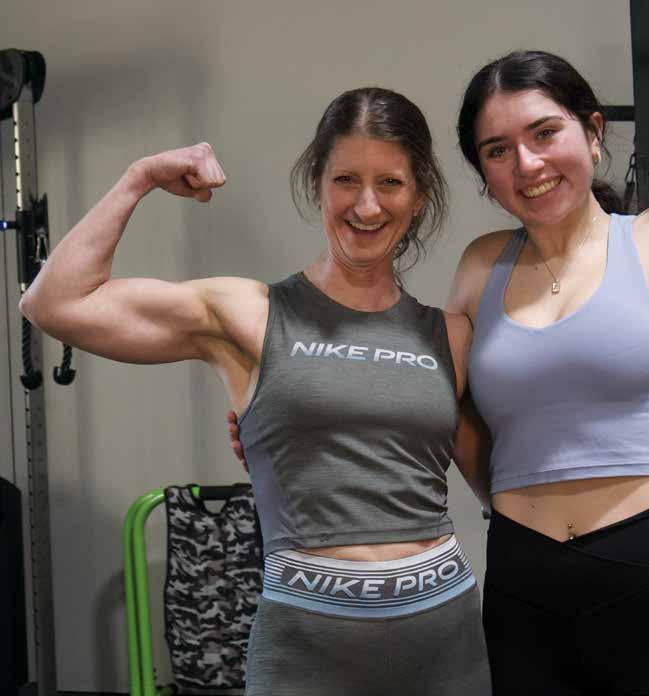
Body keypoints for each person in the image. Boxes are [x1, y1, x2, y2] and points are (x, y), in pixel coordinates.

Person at [19, 87, 491, 696]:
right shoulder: (249, 314)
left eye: (391, 183)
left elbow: (504, 484)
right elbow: (54, 304)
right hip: (306, 647)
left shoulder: (450, 335)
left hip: (444, 639)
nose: (367, 205)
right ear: (317, 183)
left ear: (419, 193)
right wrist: (140, 177)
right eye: (346, 179)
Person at [445, 50, 649, 695]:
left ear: (593, 132)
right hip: (524, 586)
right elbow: (433, 402)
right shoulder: (479, 266)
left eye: (545, 132)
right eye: (498, 150)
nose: (528, 164)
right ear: (484, 172)